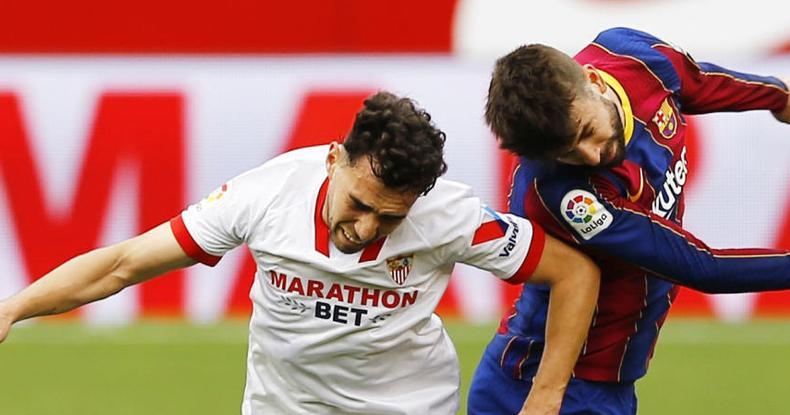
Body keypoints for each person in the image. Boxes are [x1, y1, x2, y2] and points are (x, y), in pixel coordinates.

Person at [0, 91, 601, 415]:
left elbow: (574, 272)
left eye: (390, 217)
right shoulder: (265, 196)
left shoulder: (448, 217)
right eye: (359, 203)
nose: (366, 229)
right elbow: (123, 264)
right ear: (333, 157)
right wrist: (13, 308)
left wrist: (545, 397)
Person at [469, 27, 790, 415]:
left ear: (593, 80)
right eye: (568, 152)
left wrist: (778, 94)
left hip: (594, 386)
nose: (591, 156)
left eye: (586, 131)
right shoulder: (564, 194)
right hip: (551, 387)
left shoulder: (633, 56)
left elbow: (696, 82)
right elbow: (703, 267)